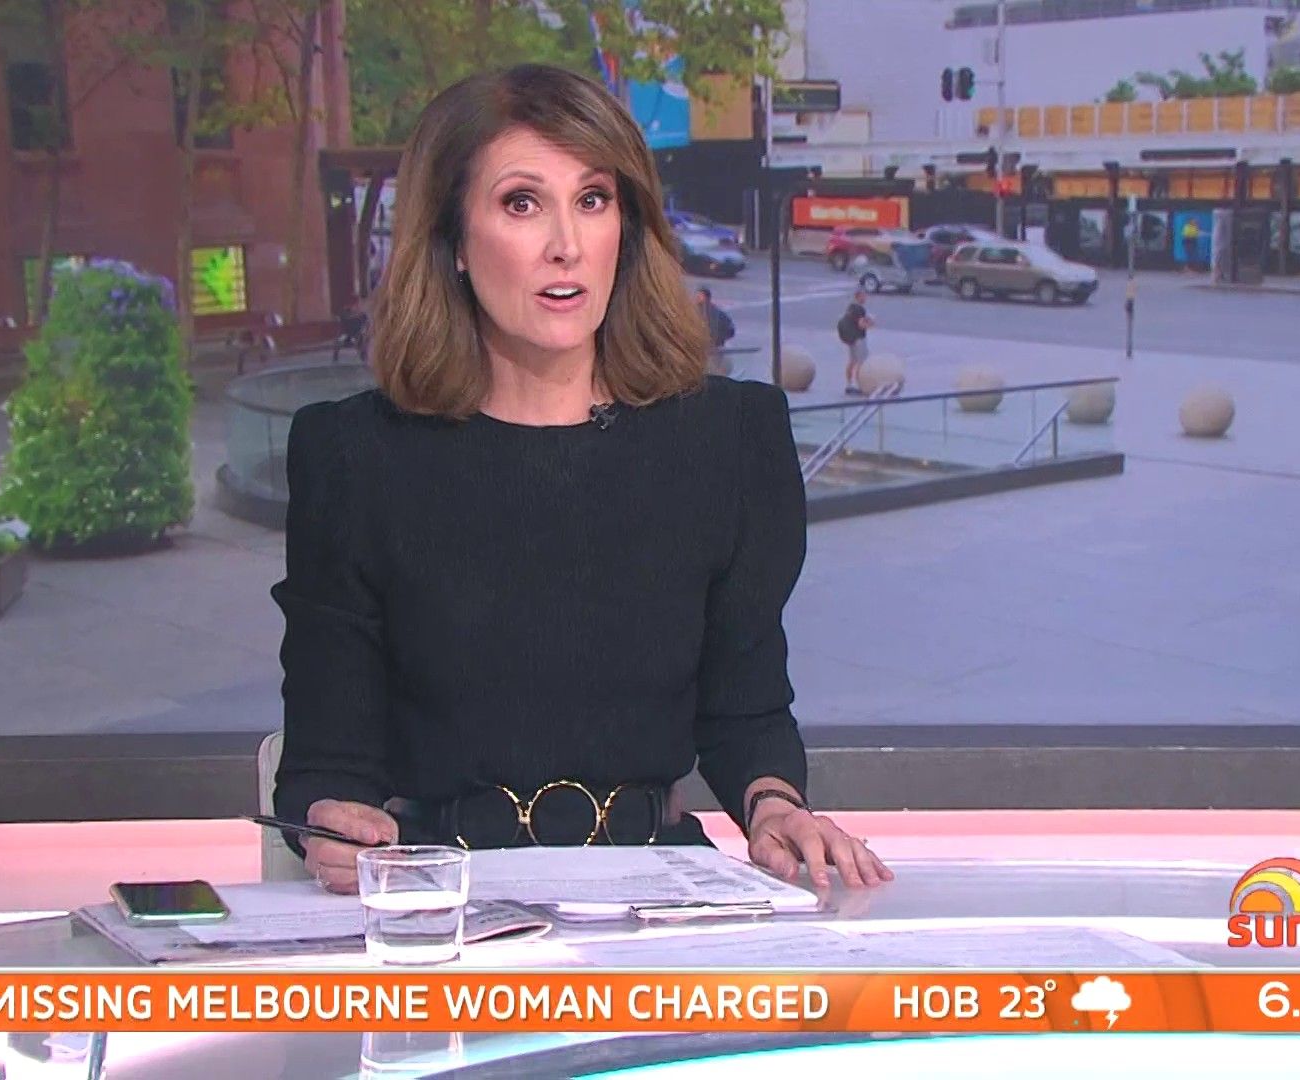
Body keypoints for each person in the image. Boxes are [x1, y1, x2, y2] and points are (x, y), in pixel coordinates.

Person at [271, 63, 892, 895]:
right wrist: (331, 823)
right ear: (453, 242)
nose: (565, 243)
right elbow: (325, 761)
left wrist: (774, 805)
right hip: (442, 900)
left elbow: (745, 709)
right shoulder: (354, 457)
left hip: (660, 894)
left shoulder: (729, 439)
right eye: (521, 203)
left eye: (593, 199)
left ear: (625, 229)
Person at [837, 289, 872, 395]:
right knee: (861, 363)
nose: (865, 298)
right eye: (864, 296)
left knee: (852, 361)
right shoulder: (860, 309)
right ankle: (860, 385)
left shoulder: (851, 307)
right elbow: (861, 325)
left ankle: (849, 384)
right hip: (859, 338)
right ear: (859, 297)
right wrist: (871, 323)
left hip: (851, 339)